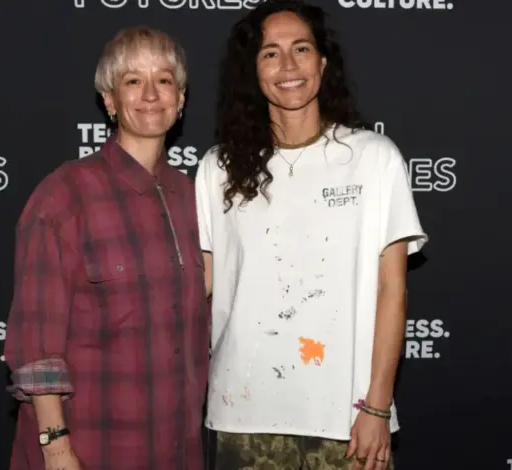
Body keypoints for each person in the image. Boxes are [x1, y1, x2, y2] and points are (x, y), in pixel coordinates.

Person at [195, 1, 428, 469]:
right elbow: (201, 288)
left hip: (348, 420)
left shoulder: (373, 158)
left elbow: (392, 291)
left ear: (322, 62)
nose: (288, 65)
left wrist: (377, 407)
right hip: (242, 413)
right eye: (270, 53)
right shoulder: (218, 168)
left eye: (301, 49)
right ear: (253, 71)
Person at [3, 26, 209, 470]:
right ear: (110, 100)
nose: (150, 94)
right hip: (89, 451)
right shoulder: (64, 196)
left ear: (181, 98)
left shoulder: (196, 200)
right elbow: (36, 342)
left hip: (177, 450)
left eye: (164, 79)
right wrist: (57, 450)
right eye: (133, 80)